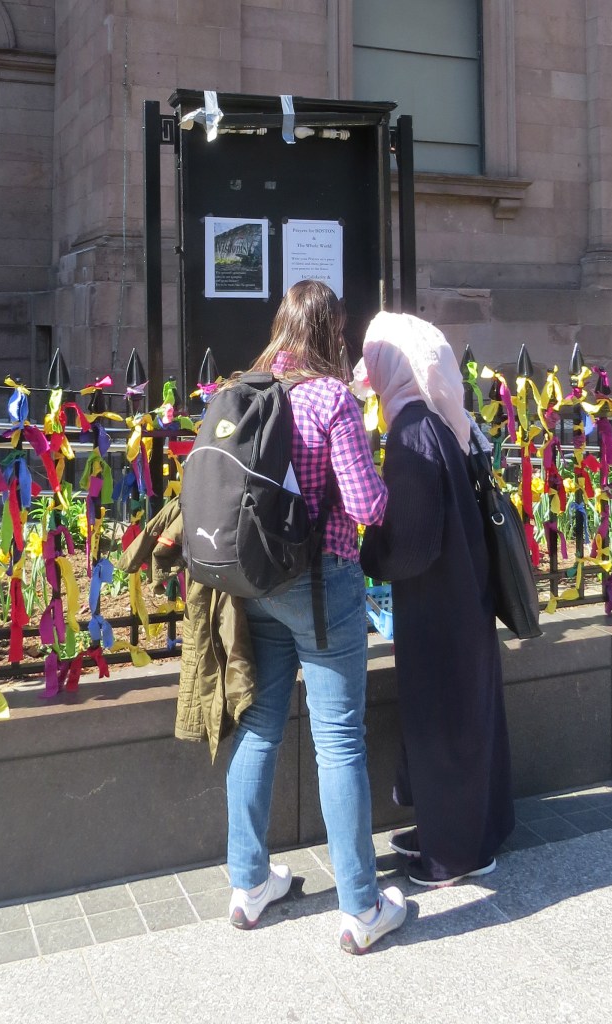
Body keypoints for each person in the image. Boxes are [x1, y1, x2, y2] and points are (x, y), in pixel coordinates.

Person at [225, 280, 407, 954]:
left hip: (256, 583)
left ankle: (248, 885)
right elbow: (362, 505)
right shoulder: (330, 398)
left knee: (260, 726)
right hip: (321, 585)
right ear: (334, 333)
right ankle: (361, 907)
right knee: (338, 742)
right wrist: (391, 480)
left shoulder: (244, 388)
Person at [358, 310, 515, 887]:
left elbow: (412, 544)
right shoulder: (438, 423)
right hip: (460, 594)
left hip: (436, 608)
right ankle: (477, 831)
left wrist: (367, 554)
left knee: (443, 721)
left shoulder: (409, 433)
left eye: (376, 358)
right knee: (468, 715)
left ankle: (453, 854)